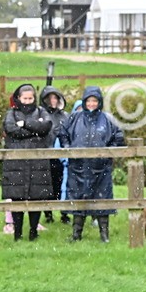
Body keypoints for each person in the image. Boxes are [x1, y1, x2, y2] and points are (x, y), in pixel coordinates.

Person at [56, 85, 125, 242]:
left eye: (95, 101)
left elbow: (118, 137)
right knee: (78, 200)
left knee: (102, 201)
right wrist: (67, 148)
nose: (92, 104)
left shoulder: (107, 120)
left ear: (99, 102)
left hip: (101, 169)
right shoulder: (74, 118)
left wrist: (109, 152)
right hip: (78, 168)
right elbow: (62, 132)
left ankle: (104, 236)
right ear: (84, 101)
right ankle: (76, 235)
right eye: (89, 101)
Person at [2, 84, 54, 241]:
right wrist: (34, 130)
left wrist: (25, 124)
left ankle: (33, 231)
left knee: (36, 197)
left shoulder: (41, 111)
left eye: (30, 98)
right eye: (24, 98)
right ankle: (17, 233)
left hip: (37, 162)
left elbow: (46, 126)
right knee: (16, 197)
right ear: (18, 98)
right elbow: (11, 129)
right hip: (16, 163)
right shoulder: (11, 113)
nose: (27, 101)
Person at [40, 85, 70, 224]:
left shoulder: (65, 116)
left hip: (62, 156)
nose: (53, 100)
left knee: (63, 184)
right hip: (46, 155)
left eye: (55, 97)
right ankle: (48, 213)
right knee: (47, 185)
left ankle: (64, 213)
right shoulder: (41, 114)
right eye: (50, 98)